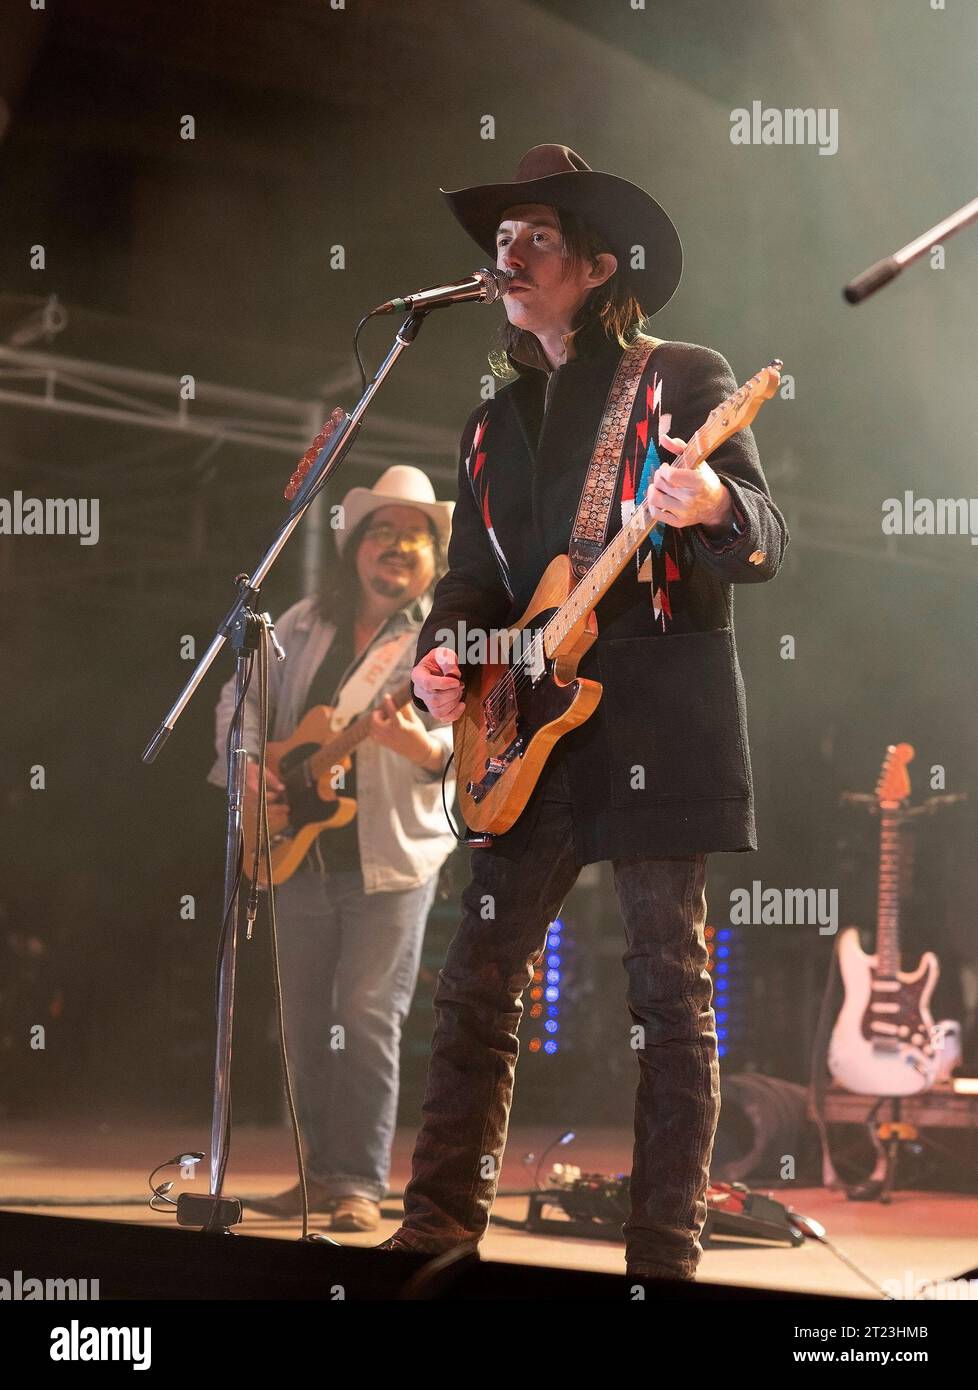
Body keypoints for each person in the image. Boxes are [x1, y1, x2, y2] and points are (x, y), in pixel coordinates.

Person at [382, 144, 789, 1279]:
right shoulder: (489, 424)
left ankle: (663, 1246)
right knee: (475, 982)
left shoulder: (683, 376)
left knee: (667, 985)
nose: (505, 257)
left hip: (660, 718)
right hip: (526, 727)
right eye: (498, 240)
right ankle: (440, 1225)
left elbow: (764, 535)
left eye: (534, 240)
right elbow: (472, 580)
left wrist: (709, 497)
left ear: (601, 266)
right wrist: (443, 662)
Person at [209, 465, 457, 1232]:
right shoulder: (301, 622)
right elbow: (237, 700)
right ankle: (315, 1175)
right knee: (305, 1024)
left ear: (433, 558)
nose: (396, 546)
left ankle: (357, 1182)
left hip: (391, 863)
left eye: (413, 536)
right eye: (381, 531)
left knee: (366, 1014)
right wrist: (249, 769)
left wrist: (423, 748)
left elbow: (470, 742)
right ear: (353, 546)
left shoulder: (440, 637)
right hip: (296, 855)